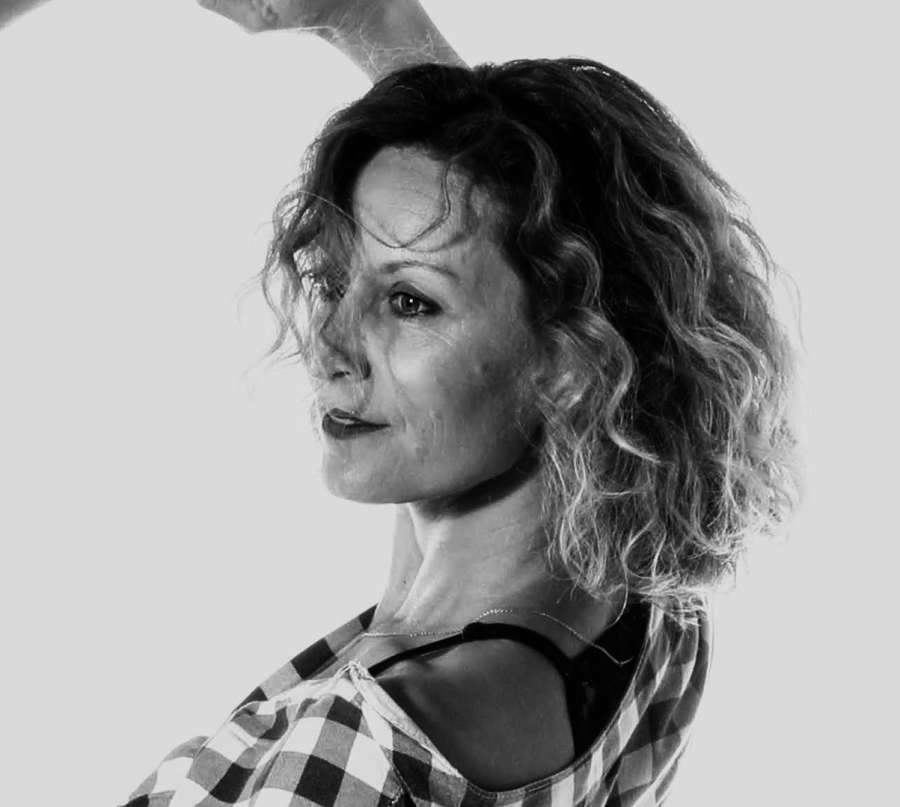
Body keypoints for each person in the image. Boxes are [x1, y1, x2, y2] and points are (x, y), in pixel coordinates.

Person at [3, 1, 800, 804]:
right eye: (333, 280)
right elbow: (511, 226)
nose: (329, 344)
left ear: (574, 360)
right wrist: (367, 17)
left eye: (410, 303)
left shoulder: (356, 749)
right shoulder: (642, 622)